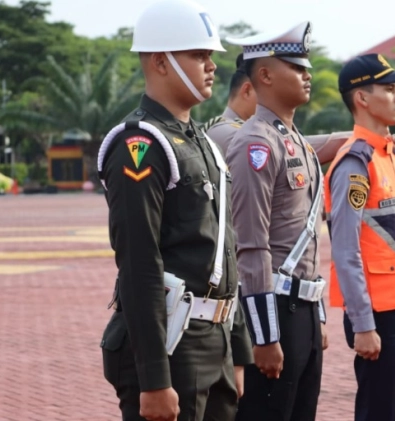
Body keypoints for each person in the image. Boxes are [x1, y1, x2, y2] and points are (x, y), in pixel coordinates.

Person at [97, 1, 251, 420]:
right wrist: (153, 378)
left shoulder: (200, 141)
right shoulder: (141, 145)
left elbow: (223, 251)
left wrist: (236, 348)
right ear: (160, 61)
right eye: (198, 55)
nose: (210, 66)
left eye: (210, 56)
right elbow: (139, 262)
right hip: (171, 343)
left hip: (212, 337)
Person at [224, 21, 328, 421]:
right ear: (265, 75)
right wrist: (264, 337)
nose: (307, 75)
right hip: (272, 309)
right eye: (296, 67)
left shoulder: (296, 140)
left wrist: (316, 316)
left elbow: (309, 240)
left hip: (301, 308)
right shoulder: (256, 144)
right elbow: (250, 246)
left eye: (306, 67)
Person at [324, 53, 395, 421]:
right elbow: (345, 250)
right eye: (389, 89)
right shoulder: (356, 162)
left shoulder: (388, 157)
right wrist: (363, 323)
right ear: (361, 99)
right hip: (379, 315)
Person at [205, 53, 352, 161]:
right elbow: (292, 151)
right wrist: (360, 139)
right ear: (247, 90)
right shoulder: (225, 132)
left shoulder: (266, 131)